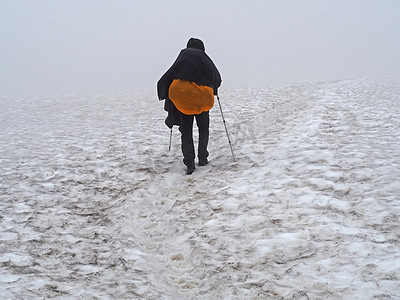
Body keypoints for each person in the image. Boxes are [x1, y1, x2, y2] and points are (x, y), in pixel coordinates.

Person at [157, 38, 222, 174]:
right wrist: (213, 88)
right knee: (203, 127)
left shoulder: (183, 55)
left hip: (183, 98)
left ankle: (190, 163)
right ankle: (203, 157)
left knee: (186, 131)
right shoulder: (203, 57)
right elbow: (217, 77)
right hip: (202, 98)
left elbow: (170, 74)